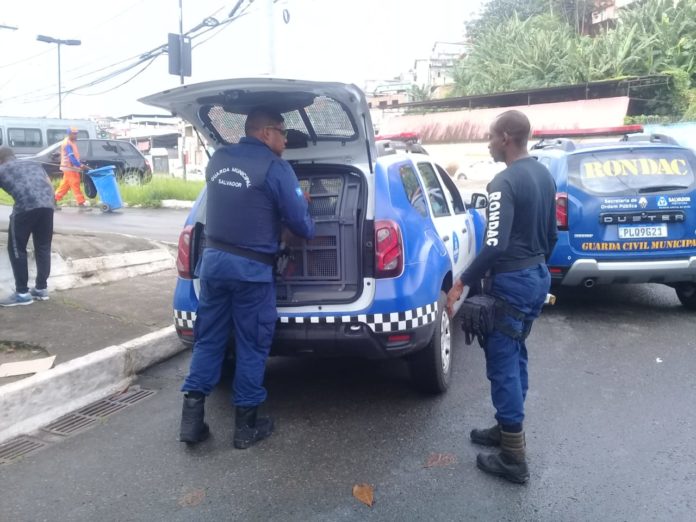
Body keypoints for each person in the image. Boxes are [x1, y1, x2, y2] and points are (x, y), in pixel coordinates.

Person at [179, 107, 315, 449]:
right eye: (282, 132)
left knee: (208, 340)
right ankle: (246, 428)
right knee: (252, 344)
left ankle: (191, 423)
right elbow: (301, 225)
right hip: (251, 273)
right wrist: (304, 206)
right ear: (266, 133)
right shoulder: (276, 168)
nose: (285, 140)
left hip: (212, 267)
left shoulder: (218, 159)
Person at [446, 110, 557, 484]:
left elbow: (495, 244)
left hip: (512, 280)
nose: (489, 144)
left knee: (502, 364)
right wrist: (537, 270)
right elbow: (552, 235)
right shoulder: (543, 174)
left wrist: (462, 281)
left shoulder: (503, 183)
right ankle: (506, 429)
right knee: (516, 351)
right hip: (537, 275)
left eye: (492, 137)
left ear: (507, 137)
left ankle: (513, 458)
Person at [0, 146, 56, 306]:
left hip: (25, 208)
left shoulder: (2, 169)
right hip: (48, 206)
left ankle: (22, 293)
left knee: (17, 248)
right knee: (43, 247)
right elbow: (50, 186)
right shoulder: (34, 164)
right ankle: (41, 289)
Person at [54, 127, 91, 210]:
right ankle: (81, 203)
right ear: (69, 134)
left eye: (76, 133)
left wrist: (79, 164)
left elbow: (75, 156)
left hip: (70, 168)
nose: (75, 135)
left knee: (65, 186)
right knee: (75, 184)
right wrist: (80, 165)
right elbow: (72, 158)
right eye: (73, 134)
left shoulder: (71, 142)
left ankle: (53, 200)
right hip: (70, 168)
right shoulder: (67, 143)